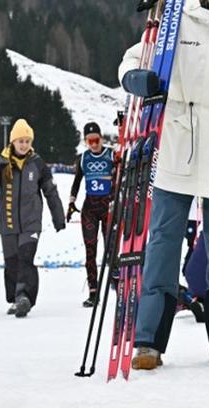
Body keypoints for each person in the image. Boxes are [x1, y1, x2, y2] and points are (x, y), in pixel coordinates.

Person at [118, 0, 209, 368]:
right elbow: (139, 55)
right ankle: (148, 340)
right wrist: (135, 75)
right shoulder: (179, 18)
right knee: (162, 244)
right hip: (178, 142)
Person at [0, 118, 66, 317]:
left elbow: (50, 191)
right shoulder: (1, 163)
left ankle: (24, 297)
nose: (24, 145)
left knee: (26, 258)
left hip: (31, 222)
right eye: (20, 141)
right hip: (8, 223)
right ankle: (15, 298)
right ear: (13, 142)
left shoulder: (37, 164)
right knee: (12, 262)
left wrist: (58, 216)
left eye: (27, 141)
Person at [68, 121, 115, 307]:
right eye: (89, 141)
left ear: (101, 138)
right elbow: (77, 181)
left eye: (96, 140)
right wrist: (71, 203)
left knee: (110, 249)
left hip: (109, 206)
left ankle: (118, 284)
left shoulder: (112, 154)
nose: (94, 144)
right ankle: (93, 292)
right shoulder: (83, 158)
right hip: (90, 208)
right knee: (90, 251)